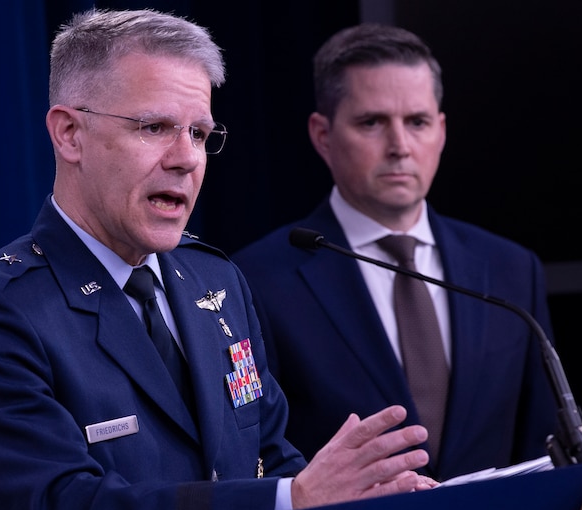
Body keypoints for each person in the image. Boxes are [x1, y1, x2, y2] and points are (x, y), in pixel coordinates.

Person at [0, 10, 436, 510]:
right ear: (70, 134)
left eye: (199, 134)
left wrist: (355, 501)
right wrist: (294, 499)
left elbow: (269, 454)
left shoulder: (215, 280)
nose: (187, 158)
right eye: (155, 127)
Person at [232, 23, 559, 482]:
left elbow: (543, 447)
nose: (400, 147)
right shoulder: (257, 279)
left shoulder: (510, 269)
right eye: (372, 122)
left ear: (441, 131)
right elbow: (257, 462)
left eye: (417, 122)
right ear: (322, 135)